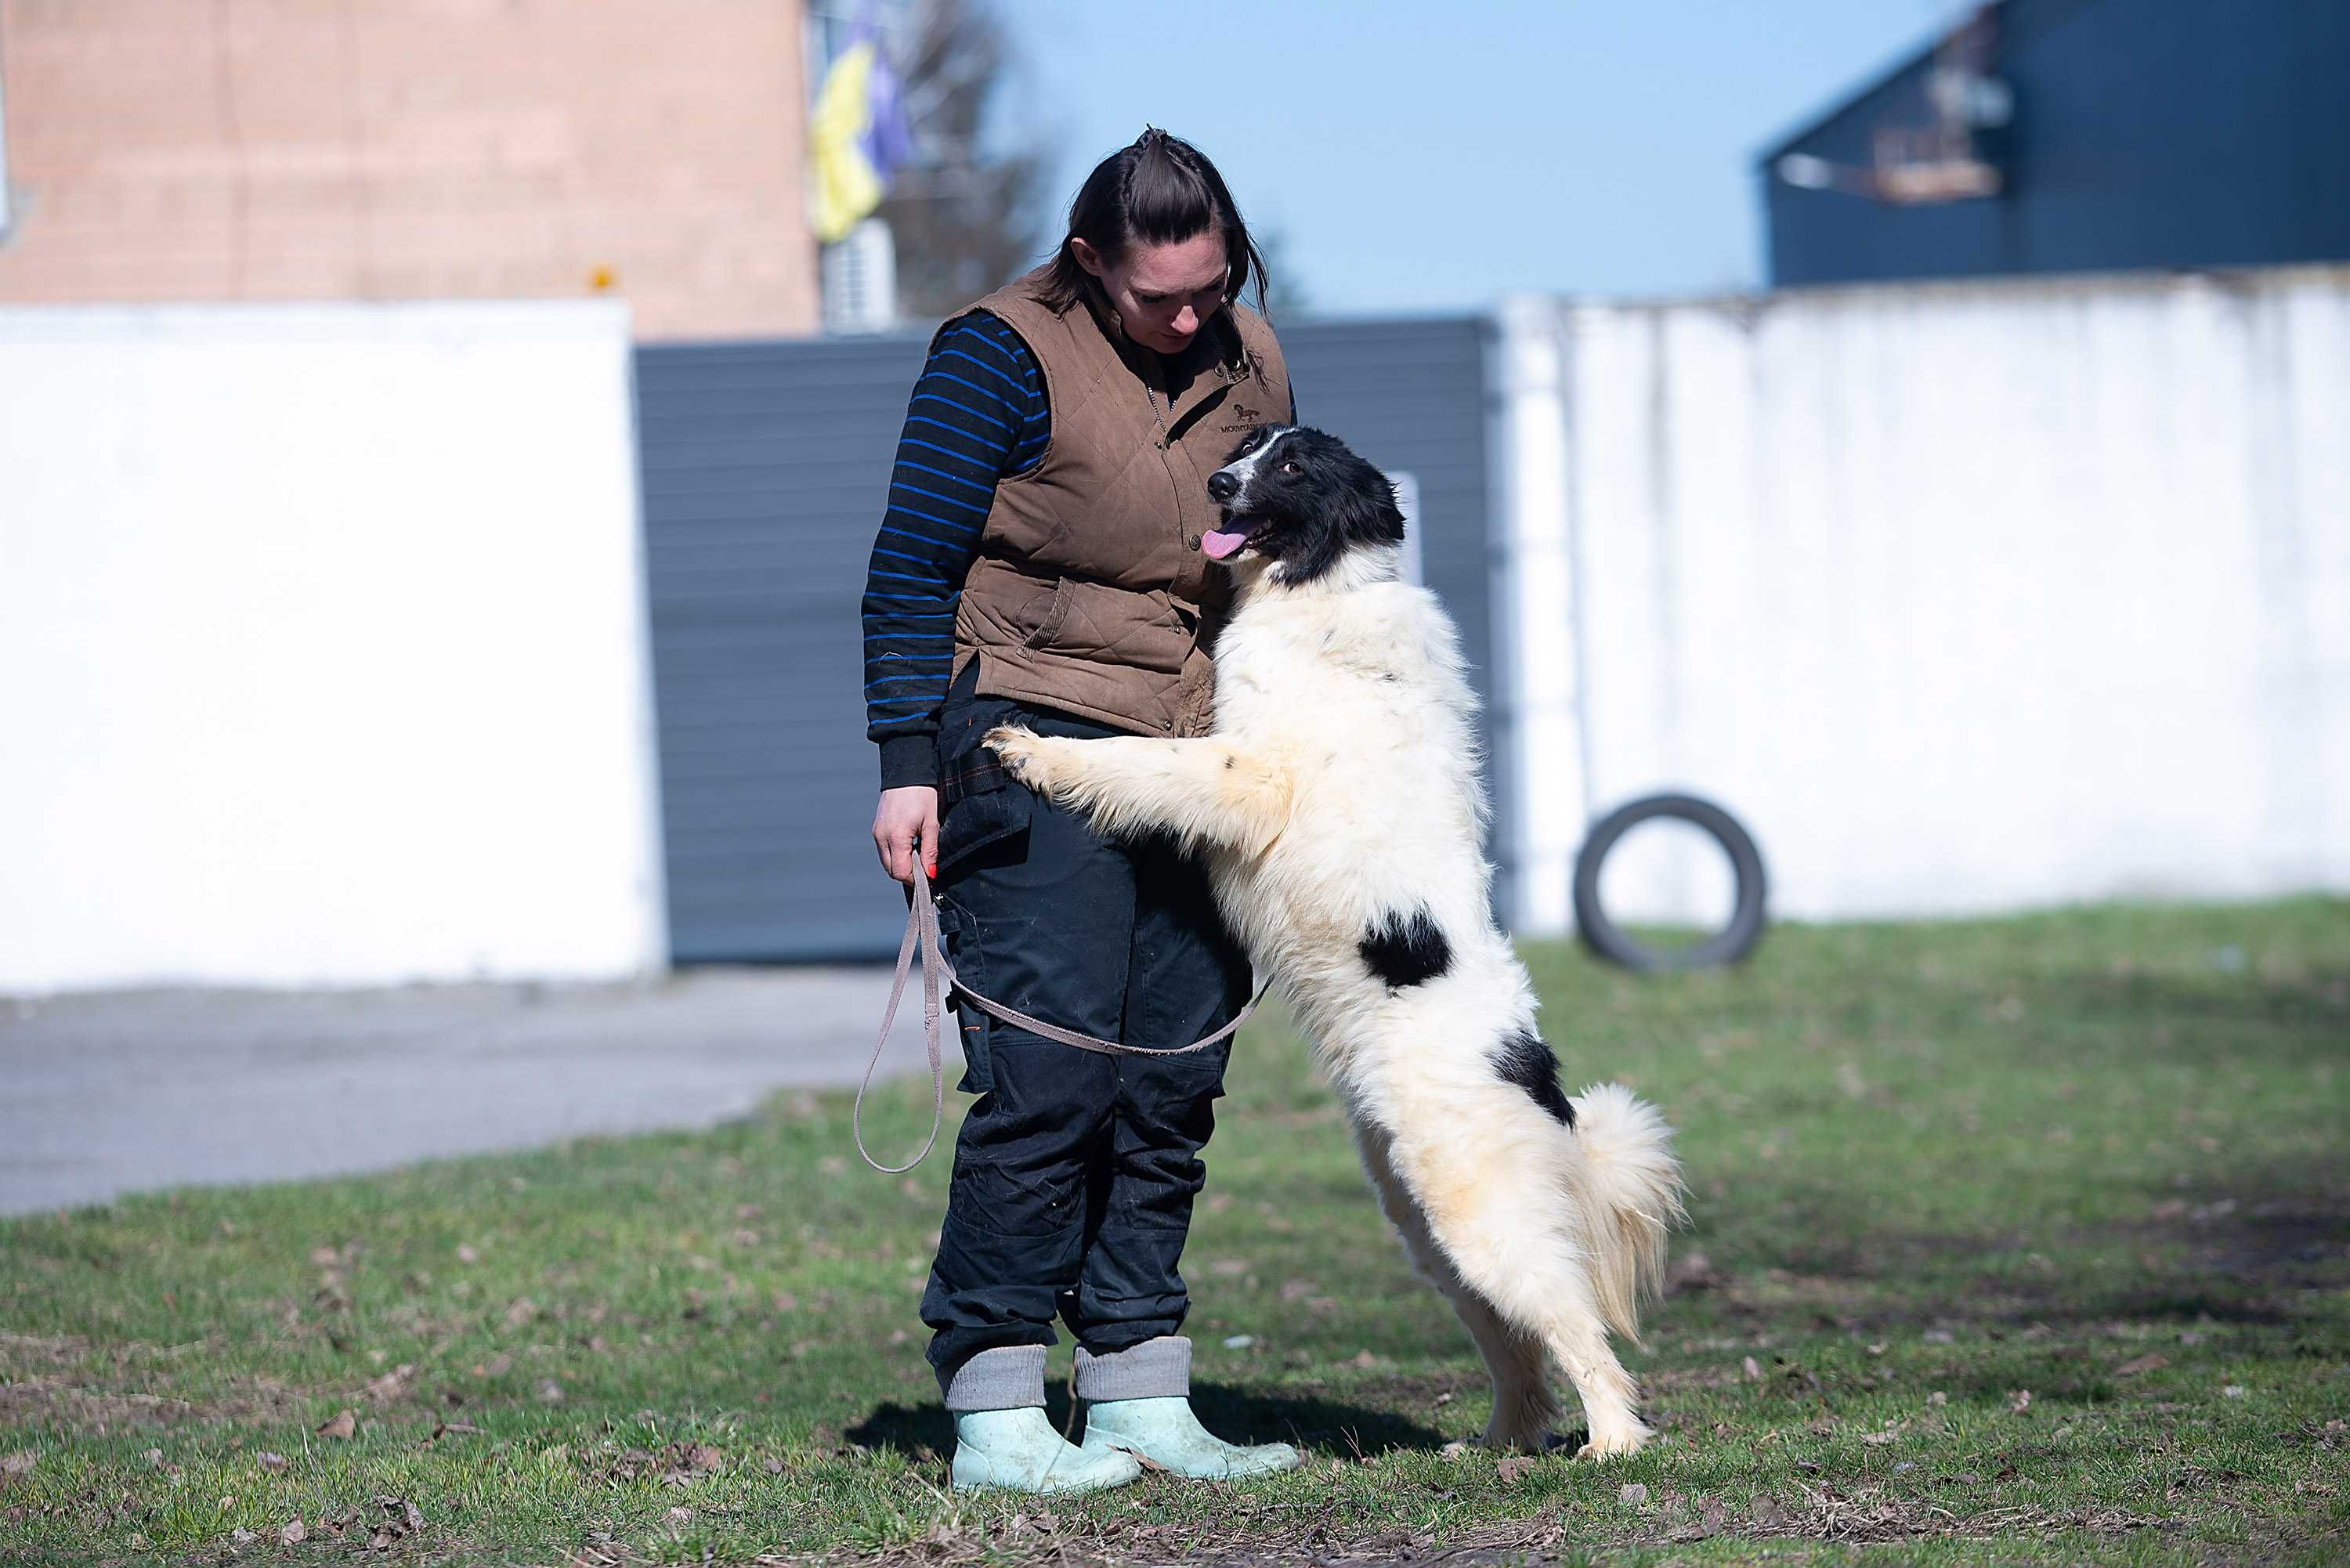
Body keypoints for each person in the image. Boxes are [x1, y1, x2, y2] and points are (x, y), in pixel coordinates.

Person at [860, 129, 1303, 1495]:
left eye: (1210, 286)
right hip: (1030, 740)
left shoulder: (1253, 353)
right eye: (1157, 295)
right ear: (1087, 260)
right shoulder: (999, 350)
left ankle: (1138, 1385)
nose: (1188, 318)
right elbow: (911, 561)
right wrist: (906, 759)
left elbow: (1291, 558)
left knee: (1172, 1080)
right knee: (1049, 1080)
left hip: (1196, 752)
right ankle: (996, 1404)